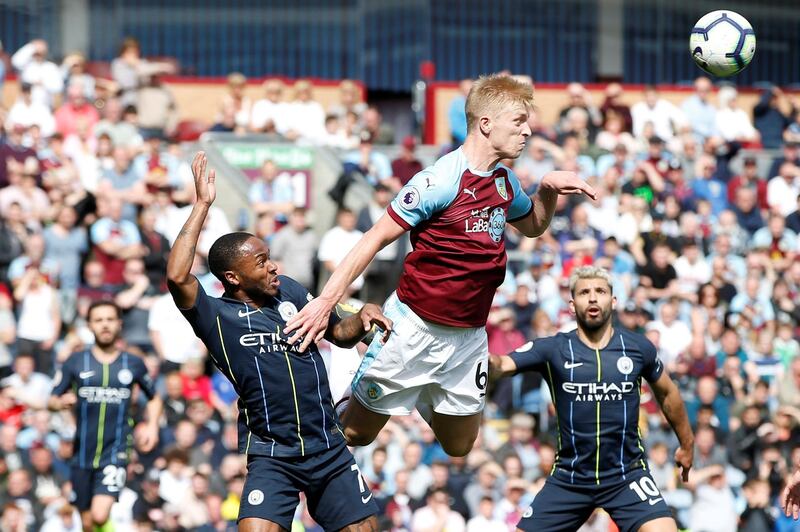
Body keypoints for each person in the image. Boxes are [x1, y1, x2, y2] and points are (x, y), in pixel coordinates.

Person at [286, 74, 596, 458]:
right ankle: (357, 361)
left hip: (468, 337)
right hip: (413, 329)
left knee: (460, 446)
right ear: (486, 124)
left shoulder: (504, 181)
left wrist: (546, 190)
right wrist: (325, 301)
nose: (528, 131)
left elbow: (533, 225)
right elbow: (374, 238)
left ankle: (417, 387)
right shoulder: (439, 180)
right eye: (519, 121)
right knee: (354, 435)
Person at [166, 152, 388, 531]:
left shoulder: (291, 291)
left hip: (328, 447)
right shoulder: (216, 317)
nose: (274, 266)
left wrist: (362, 318)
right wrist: (202, 205)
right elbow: (176, 276)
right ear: (233, 278)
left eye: (270, 258)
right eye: (262, 261)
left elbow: (339, 334)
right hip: (272, 455)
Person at [488, 266, 694, 532]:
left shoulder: (638, 347)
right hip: (569, 478)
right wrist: (476, 355)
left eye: (600, 291)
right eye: (585, 292)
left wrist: (687, 444)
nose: (593, 297)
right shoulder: (552, 349)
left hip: (626, 475)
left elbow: (668, 393)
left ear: (613, 300)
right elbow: (501, 364)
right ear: (573, 306)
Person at [48, 300, 162, 532]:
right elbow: (51, 399)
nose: (105, 325)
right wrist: (60, 403)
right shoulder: (76, 361)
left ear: (119, 324)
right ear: (89, 325)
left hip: (116, 452)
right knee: (88, 522)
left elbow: (154, 397)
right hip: (81, 455)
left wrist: (152, 426)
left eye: (110, 319)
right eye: (99, 320)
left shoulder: (134, 363)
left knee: (100, 515)